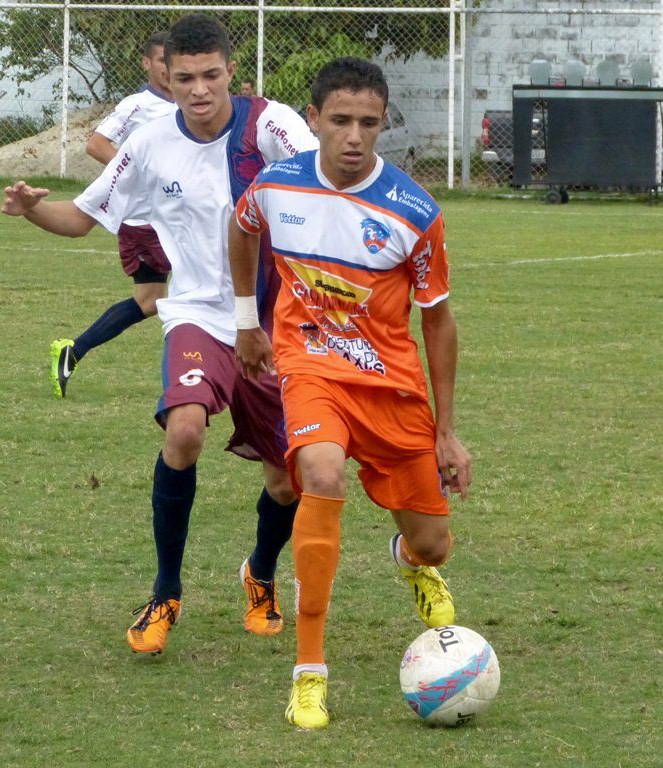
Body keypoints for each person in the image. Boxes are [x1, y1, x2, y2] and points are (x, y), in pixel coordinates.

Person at [2, 13, 320, 653]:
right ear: (164, 78)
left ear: (231, 71)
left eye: (210, 76)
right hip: (199, 313)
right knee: (184, 429)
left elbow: (325, 192)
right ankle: (165, 591)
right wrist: (34, 207)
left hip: (278, 317)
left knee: (287, 481)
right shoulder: (147, 144)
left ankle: (259, 573)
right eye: (184, 78)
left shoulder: (273, 126)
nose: (198, 90)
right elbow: (82, 217)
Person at [229, 57, 472, 729]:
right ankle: (310, 671)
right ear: (313, 121)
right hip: (310, 371)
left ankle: (410, 561)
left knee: (434, 545)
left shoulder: (415, 212)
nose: (355, 136)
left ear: (383, 124)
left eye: (369, 123)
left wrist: (446, 430)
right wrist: (248, 321)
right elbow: (242, 228)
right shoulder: (276, 186)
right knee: (321, 470)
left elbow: (439, 321)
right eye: (340, 121)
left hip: (392, 390)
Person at [50, 32, 177, 399]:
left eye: (174, 63)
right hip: (143, 222)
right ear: (147, 64)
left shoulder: (188, 105)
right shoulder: (137, 105)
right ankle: (75, 350)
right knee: (154, 299)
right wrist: (135, 169)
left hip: (178, 216)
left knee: (180, 295)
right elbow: (96, 143)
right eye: (161, 62)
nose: (168, 70)